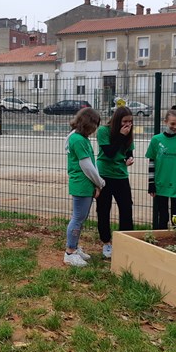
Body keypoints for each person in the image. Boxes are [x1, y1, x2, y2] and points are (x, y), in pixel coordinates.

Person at [64, 107, 105, 267]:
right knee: (78, 218)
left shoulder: (75, 136)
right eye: (95, 124)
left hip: (84, 184)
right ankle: (70, 252)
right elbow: (86, 165)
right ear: (88, 123)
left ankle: (74, 247)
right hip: (82, 184)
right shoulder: (79, 140)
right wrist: (100, 182)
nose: (95, 129)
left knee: (80, 218)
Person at [96, 105, 134, 259]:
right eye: (124, 121)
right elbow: (110, 153)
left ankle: (125, 241)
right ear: (117, 120)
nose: (128, 125)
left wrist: (129, 158)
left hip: (121, 175)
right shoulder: (104, 131)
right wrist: (121, 136)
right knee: (103, 209)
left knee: (126, 208)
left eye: (130, 122)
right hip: (104, 174)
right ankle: (106, 242)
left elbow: (128, 152)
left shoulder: (128, 133)